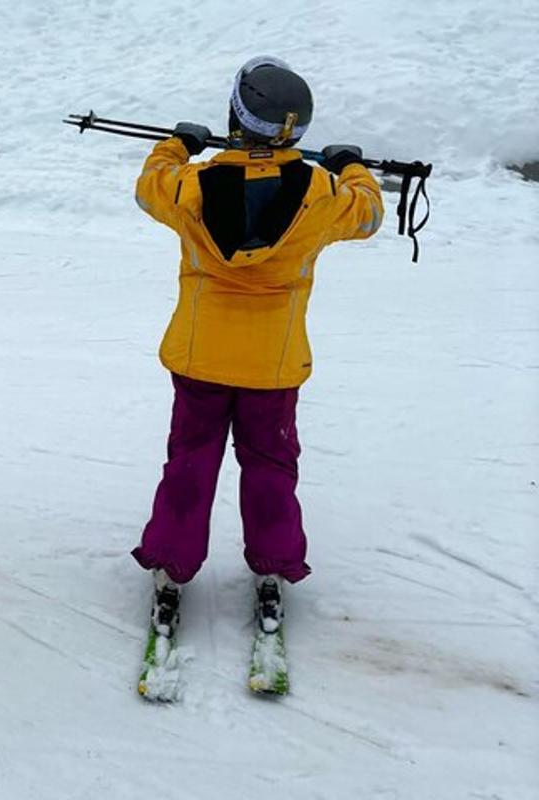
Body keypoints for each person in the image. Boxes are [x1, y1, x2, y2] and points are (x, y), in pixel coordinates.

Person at [129, 56, 384, 637]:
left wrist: (177, 145)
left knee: (190, 460)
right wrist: (352, 167)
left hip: (200, 359)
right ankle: (273, 565)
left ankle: (171, 565)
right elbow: (368, 215)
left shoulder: (192, 186)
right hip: (273, 365)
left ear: (235, 119)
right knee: (270, 464)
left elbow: (148, 190)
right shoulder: (322, 192)